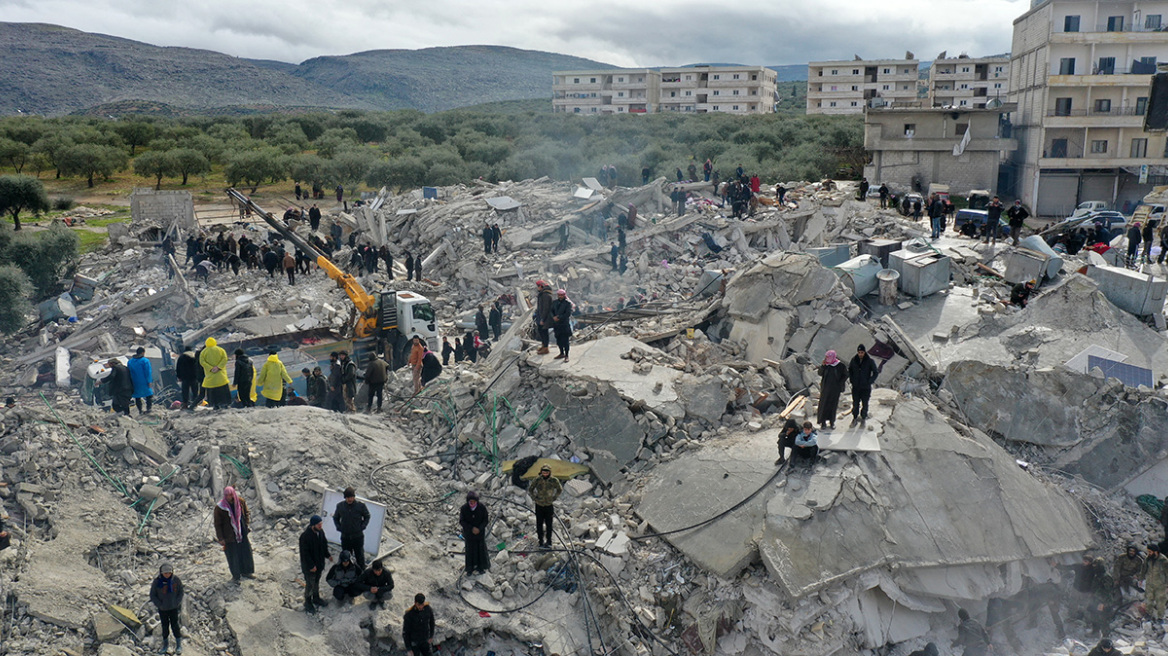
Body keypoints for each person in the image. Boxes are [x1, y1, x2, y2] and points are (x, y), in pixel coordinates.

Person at [213, 486, 254, 582]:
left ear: (233, 494)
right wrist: (221, 538)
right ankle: (236, 576)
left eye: (230, 495)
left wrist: (246, 524)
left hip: (241, 532)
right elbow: (217, 524)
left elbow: (246, 513)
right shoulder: (220, 508)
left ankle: (247, 572)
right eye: (226, 495)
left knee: (245, 552)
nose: (229, 497)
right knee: (233, 555)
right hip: (229, 535)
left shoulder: (240, 502)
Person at [299, 515, 332, 614]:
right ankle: (308, 602)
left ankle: (316, 598)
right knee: (310, 584)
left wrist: (328, 555)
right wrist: (311, 566)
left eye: (321, 524)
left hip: (319, 564)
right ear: (313, 525)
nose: (320, 526)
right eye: (319, 524)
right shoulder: (305, 537)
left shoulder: (320, 532)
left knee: (316, 582)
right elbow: (305, 554)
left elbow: (324, 545)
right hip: (310, 567)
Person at [150, 562, 184, 654]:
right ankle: (165, 645)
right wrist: (159, 604)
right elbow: (153, 595)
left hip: (173, 608)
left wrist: (177, 602)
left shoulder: (176, 580)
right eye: (165, 573)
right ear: (161, 573)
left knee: (175, 626)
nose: (167, 575)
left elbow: (181, 592)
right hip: (163, 609)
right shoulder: (157, 582)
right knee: (165, 627)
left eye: (169, 573)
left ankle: (179, 645)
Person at [334, 487, 371, 571]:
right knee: (346, 557)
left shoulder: (360, 506)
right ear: (345, 498)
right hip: (345, 537)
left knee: (360, 556)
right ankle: (348, 574)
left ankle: (361, 574)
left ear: (354, 497)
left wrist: (362, 526)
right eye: (347, 497)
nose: (350, 499)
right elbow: (336, 517)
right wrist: (339, 527)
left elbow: (367, 516)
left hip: (358, 536)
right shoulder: (340, 506)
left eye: (351, 497)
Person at [528, 464, 562, 549]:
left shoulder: (554, 480)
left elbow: (559, 489)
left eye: (547, 472)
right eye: (543, 472)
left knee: (549, 525)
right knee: (539, 524)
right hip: (539, 505)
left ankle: (549, 541)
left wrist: (554, 497)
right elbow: (531, 489)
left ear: (549, 472)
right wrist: (534, 498)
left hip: (548, 505)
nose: (545, 474)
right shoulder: (537, 480)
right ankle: (541, 542)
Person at [459, 491, 490, 575]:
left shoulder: (482, 508)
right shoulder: (464, 508)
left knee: (480, 550)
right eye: (470, 502)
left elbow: (485, 520)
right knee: (470, 551)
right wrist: (471, 528)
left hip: (479, 534)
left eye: (474, 502)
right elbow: (462, 521)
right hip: (469, 534)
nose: (472, 503)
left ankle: (480, 567)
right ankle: (470, 569)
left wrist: (479, 529)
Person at [817, 350, 847, 429]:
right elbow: (820, 373)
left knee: (833, 406)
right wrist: (822, 366)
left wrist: (840, 383)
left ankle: (832, 422)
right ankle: (823, 423)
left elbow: (845, 375)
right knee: (824, 405)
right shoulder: (826, 365)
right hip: (825, 389)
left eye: (828, 357)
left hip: (835, 390)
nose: (826, 358)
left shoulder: (840, 365)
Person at [848, 345, 878, 424]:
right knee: (855, 403)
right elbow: (850, 370)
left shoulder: (869, 361)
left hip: (866, 387)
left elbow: (875, 372)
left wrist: (870, 381)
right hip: (856, 386)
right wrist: (852, 380)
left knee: (865, 403)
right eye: (859, 352)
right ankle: (854, 417)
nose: (860, 354)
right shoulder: (854, 360)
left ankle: (863, 417)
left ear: (864, 352)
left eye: (862, 352)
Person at [200, 338, 231, 410]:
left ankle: (215, 406)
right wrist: (218, 367)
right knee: (223, 394)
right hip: (221, 378)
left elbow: (202, 362)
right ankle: (225, 405)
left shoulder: (203, 352)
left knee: (213, 395)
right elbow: (225, 358)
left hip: (211, 380)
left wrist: (210, 368)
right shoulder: (221, 350)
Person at [127, 347, 154, 415]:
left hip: (135, 382)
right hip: (144, 381)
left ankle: (140, 411)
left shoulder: (130, 361)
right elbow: (148, 372)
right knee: (149, 395)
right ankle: (149, 409)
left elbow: (129, 372)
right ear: (143, 352)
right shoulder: (145, 361)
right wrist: (149, 381)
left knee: (137, 397)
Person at [1147, 543, 1168, 621]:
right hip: (1151, 583)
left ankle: (1160, 617)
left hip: (1161, 584)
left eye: (1150, 552)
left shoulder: (1164, 560)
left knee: (1161, 602)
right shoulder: (1148, 559)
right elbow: (1145, 569)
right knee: (1149, 600)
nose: (1148, 553)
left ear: (1155, 552)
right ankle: (1149, 615)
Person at [551, 289, 573, 362]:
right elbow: (551, 311)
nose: (560, 296)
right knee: (558, 340)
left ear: (564, 295)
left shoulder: (568, 304)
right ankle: (561, 353)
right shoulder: (554, 303)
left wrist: (559, 317)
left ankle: (567, 355)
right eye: (559, 295)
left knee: (565, 341)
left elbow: (567, 314)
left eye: (562, 295)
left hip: (564, 324)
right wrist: (553, 317)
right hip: (556, 325)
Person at [535, 280, 554, 355]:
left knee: (544, 332)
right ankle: (543, 345)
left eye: (538, 286)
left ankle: (546, 348)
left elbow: (546, 308)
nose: (537, 288)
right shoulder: (542, 294)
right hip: (541, 316)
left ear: (541, 286)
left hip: (545, 317)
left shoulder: (546, 295)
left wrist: (543, 318)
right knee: (541, 331)